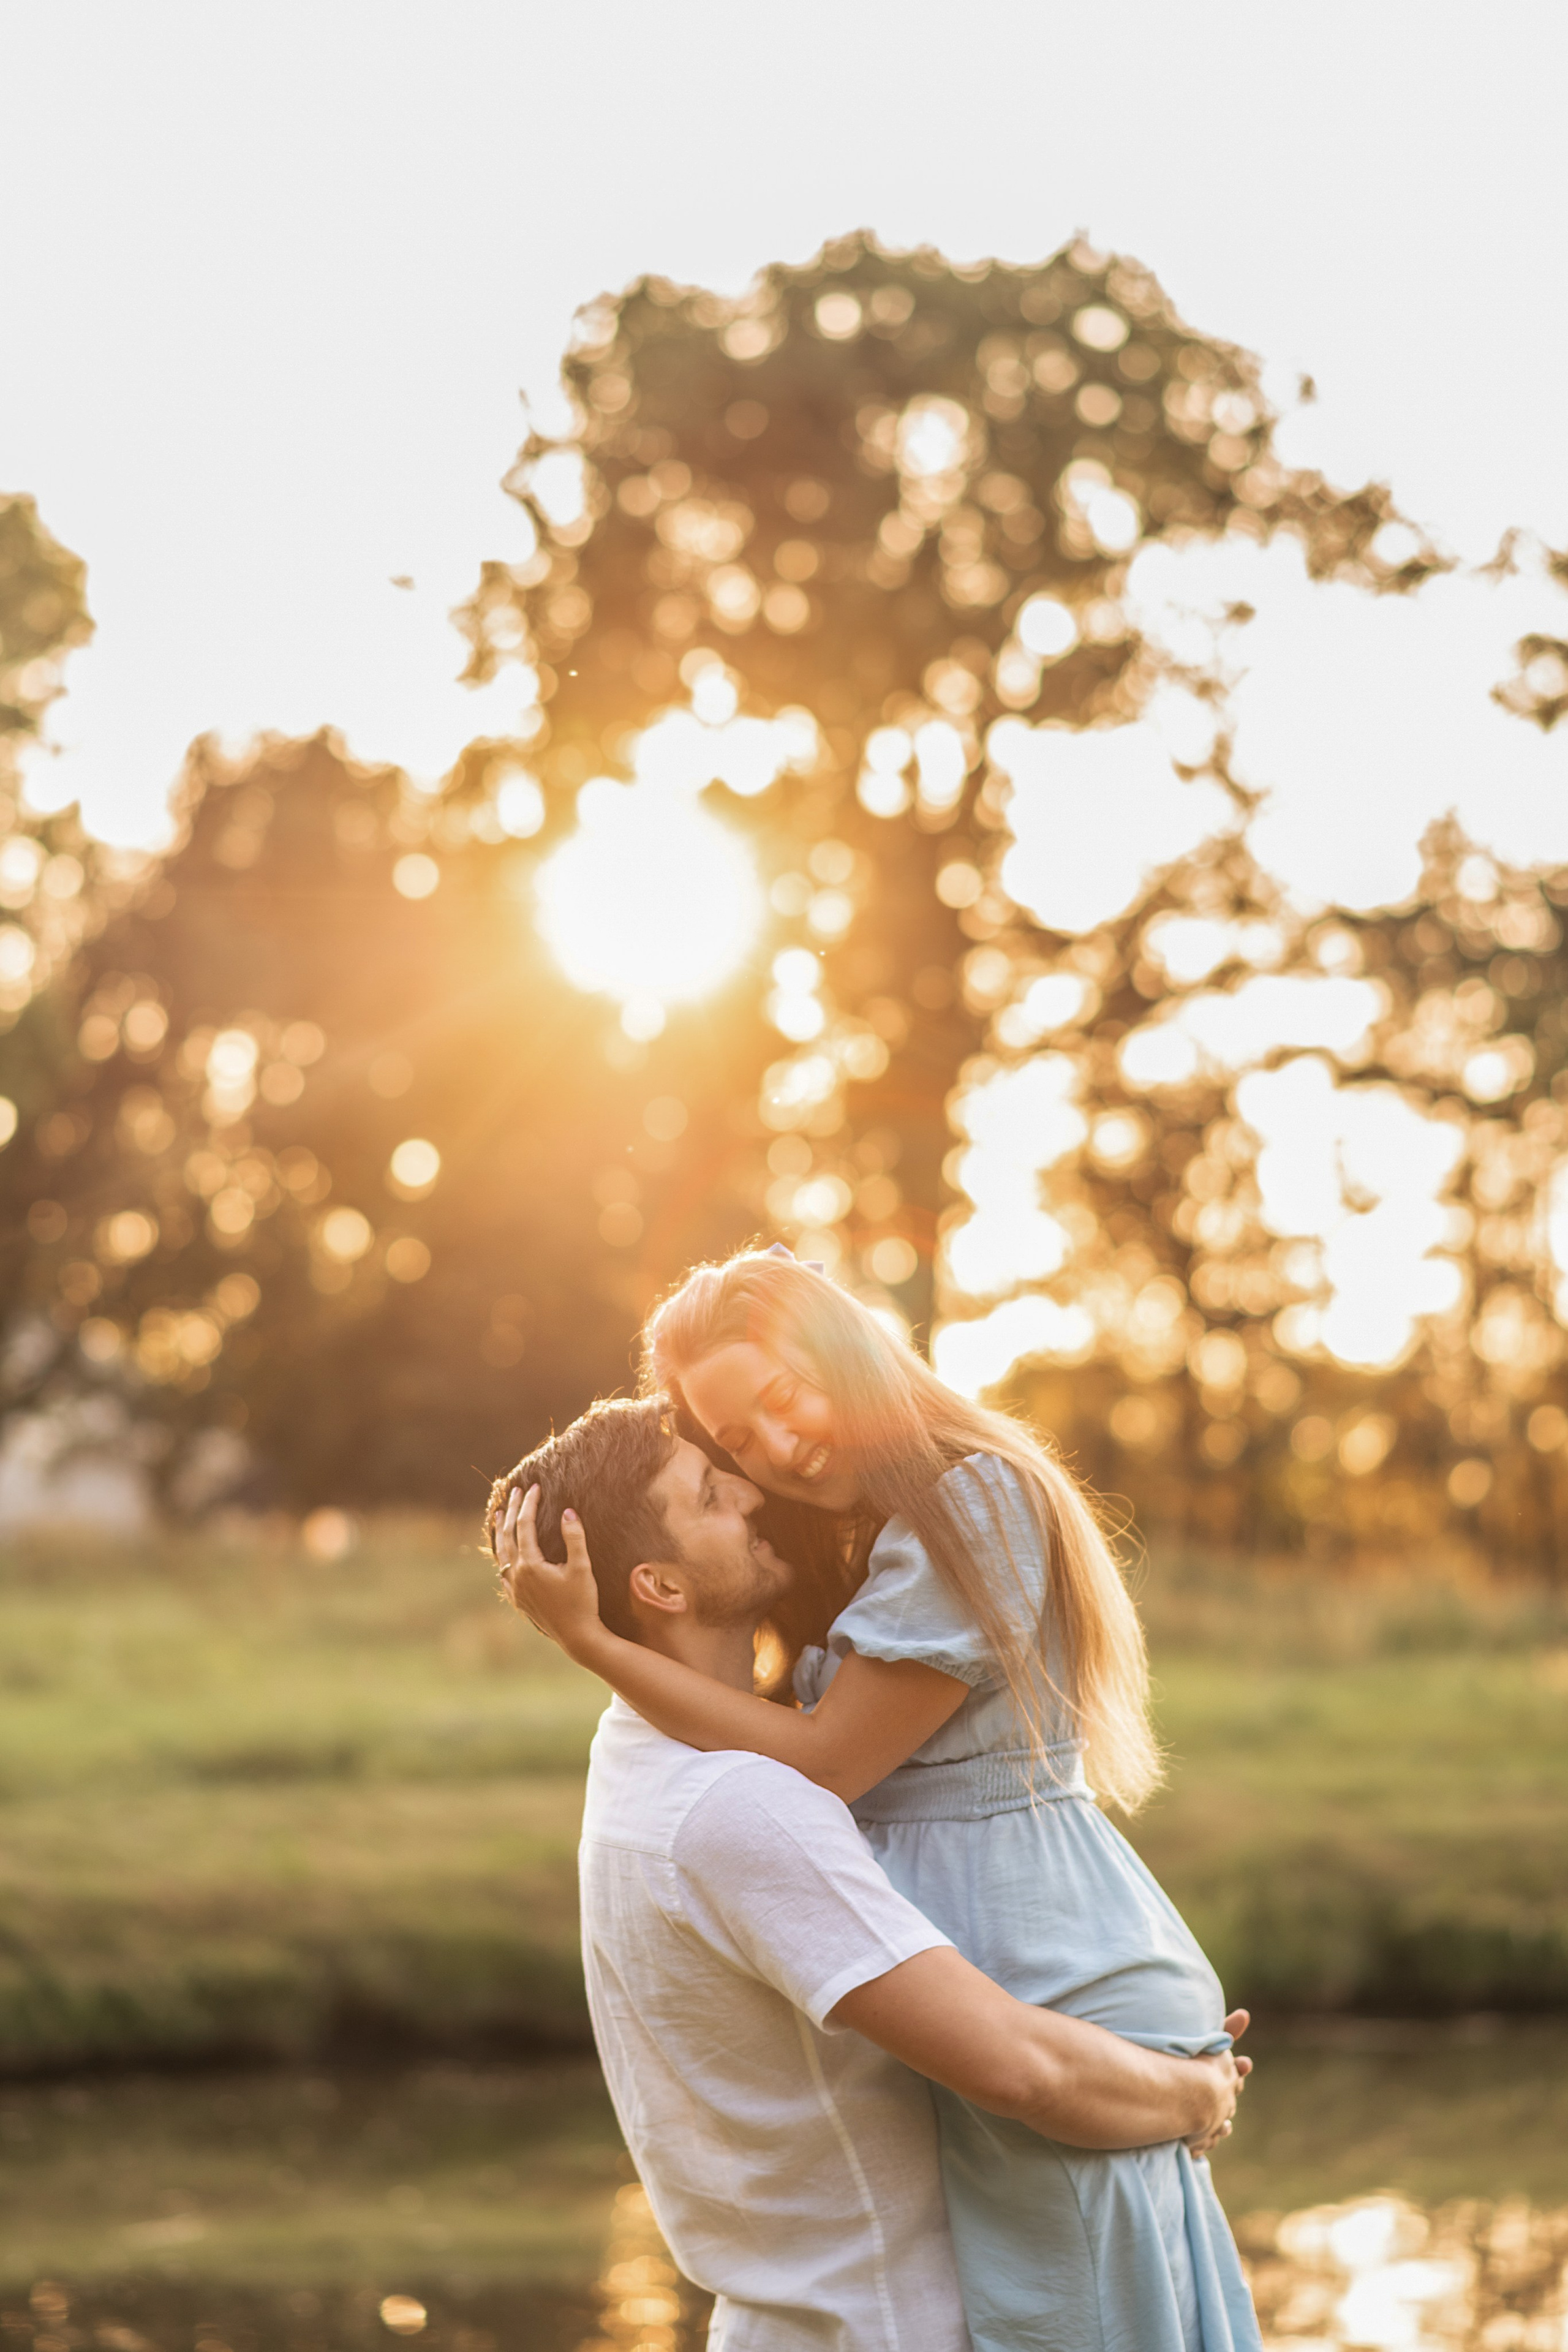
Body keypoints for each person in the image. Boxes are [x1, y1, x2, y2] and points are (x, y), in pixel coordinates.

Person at [500, 1249, 1264, 2352]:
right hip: (990, 2000)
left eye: (781, 1396)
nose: (770, 1455)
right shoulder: (851, 1541)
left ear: (846, 1348)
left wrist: (594, 1645)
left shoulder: (975, 1501)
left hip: (1041, 1974)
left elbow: (823, 1763)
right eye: (732, 1447)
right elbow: (776, 1739)